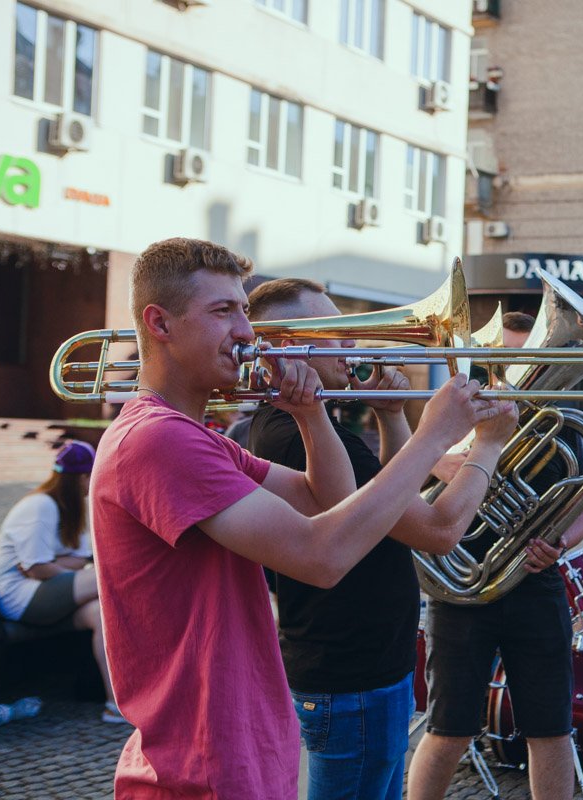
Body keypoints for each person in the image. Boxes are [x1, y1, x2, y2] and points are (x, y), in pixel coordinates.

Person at [90, 237, 513, 798]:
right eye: (223, 311)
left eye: (244, 310)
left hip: (241, 743)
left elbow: (322, 502)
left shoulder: (197, 438)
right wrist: (438, 432)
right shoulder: (158, 440)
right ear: (159, 324)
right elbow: (324, 556)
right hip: (201, 763)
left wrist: (313, 414)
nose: (246, 332)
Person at [245, 278, 515, 800]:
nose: (352, 341)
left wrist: (391, 415)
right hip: (353, 678)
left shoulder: (302, 428)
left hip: (363, 672)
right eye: (332, 331)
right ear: (283, 347)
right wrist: (487, 446)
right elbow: (438, 529)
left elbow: (387, 503)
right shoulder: (296, 435)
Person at [409, 313, 583, 800]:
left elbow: (579, 512)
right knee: (448, 729)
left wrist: (561, 542)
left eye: (529, 360)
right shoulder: (454, 414)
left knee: (551, 728)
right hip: (460, 590)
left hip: (535, 585)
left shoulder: (558, 424)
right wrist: (438, 461)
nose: (517, 372)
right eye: (506, 361)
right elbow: (406, 476)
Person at [0, 441, 122, 723]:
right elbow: (37, 569)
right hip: (18, 597)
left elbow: (75, 559)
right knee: (112, 575)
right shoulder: (40, 505)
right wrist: (66, 573)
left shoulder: (75, 510)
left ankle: (115, 705)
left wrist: (59, 569)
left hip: (44, 590)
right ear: (83, 478)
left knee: (100, 614)